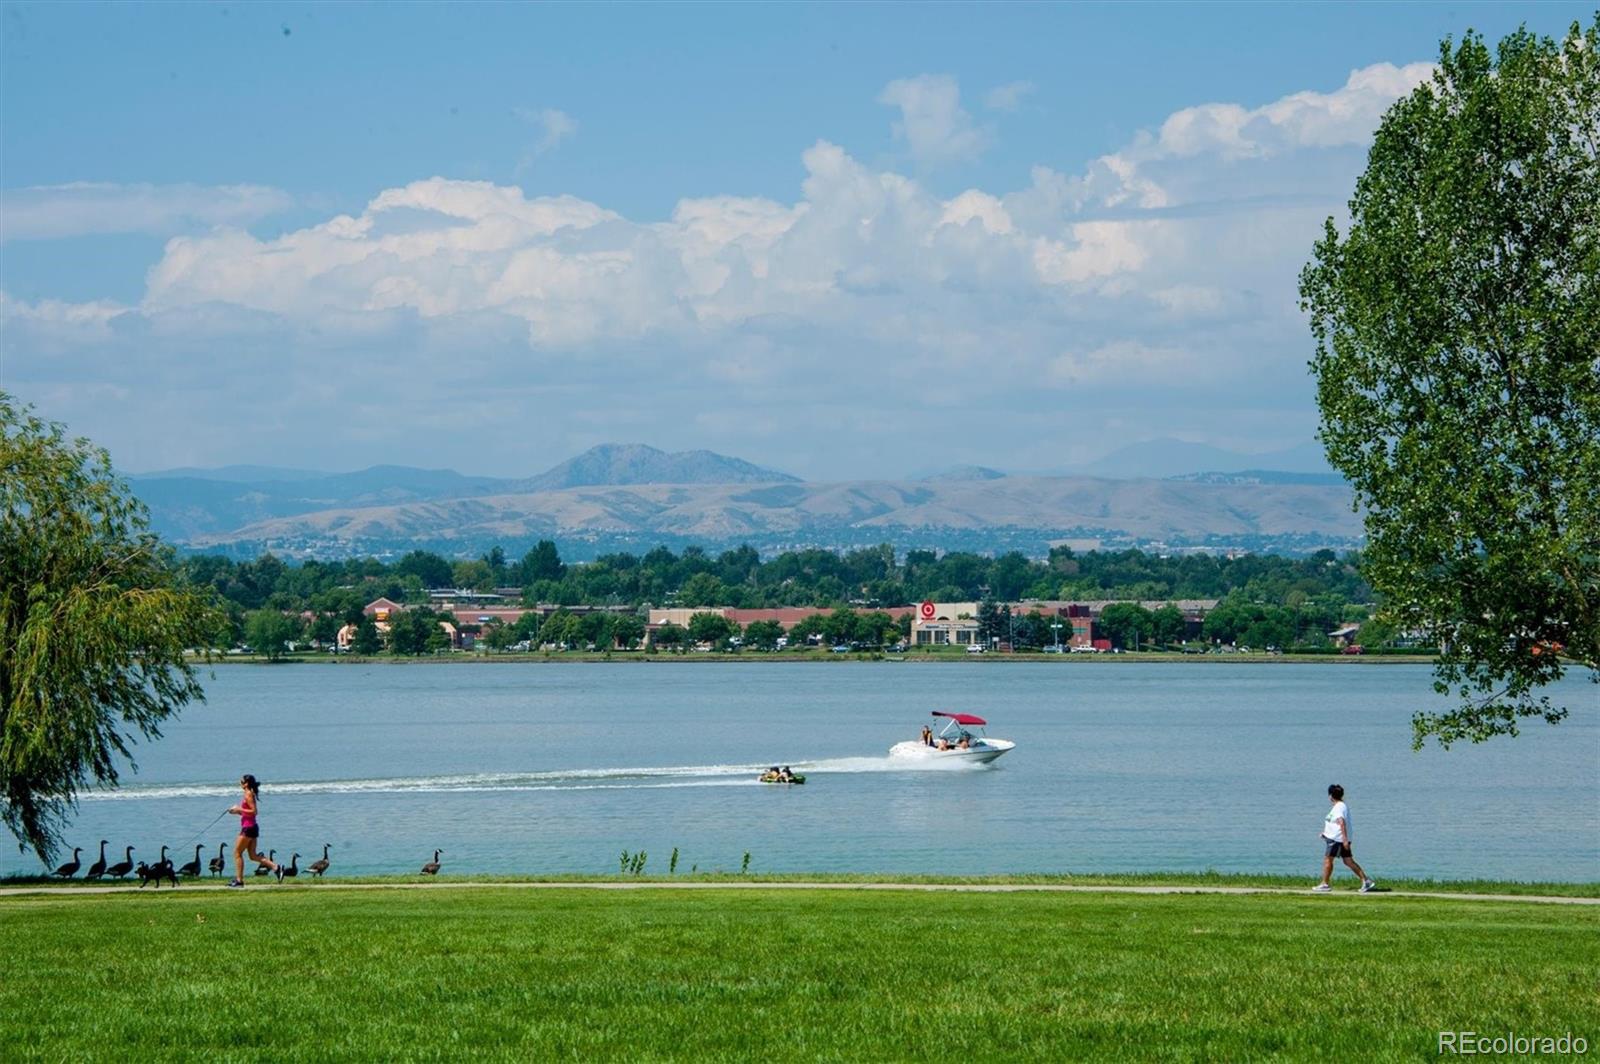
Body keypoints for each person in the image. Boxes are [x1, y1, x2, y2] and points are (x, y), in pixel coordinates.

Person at [1313, 783, 1375, 893]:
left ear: (1330, 796)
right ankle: (1366, 881)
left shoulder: (1339, 807)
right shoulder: (1340, 806)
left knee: (1328, 860)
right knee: (1348, 861)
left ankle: (1325, 884)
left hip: (1337, 840)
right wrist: (1325, 833)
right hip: (1337, 838)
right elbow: (1335, 823)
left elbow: (1341, 823)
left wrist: (1345, 839)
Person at [227, 774, 282, 887]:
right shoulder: (248, 793)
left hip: (248, 828)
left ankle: (239, 881)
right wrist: (236, 812)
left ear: (246, 783)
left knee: (237, 853)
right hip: (252, 827)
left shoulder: (248, 794)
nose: (240, 782)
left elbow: (254, 811)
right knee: (252, 855)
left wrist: (238, 808)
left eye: (241, 781)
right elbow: (248, 813)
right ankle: (276, 868)